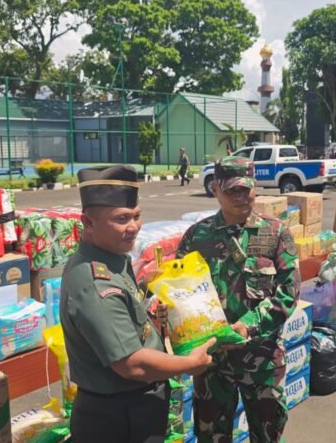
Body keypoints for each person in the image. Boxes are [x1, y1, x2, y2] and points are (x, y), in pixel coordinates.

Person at [60, 165, 214, 443]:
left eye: (137, 216)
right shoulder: (96, 284)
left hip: (132, 408)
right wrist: (190, 363)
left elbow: (122, 313)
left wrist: (145, 297)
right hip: (118, 418)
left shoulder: (111, 259)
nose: (134, 227)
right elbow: (131, 365)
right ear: (89, 223)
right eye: (122, 219)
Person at [175, 156, 300, 442]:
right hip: (212, 361)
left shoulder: (275, 232)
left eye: (246, 189)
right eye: (232, 190)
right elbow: (179, 291)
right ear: (215, 190)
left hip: (262, 359)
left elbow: (289, 291)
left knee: (267, 434)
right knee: (211, 435)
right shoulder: (197, 236)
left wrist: (248, 325)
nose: (241, 197)